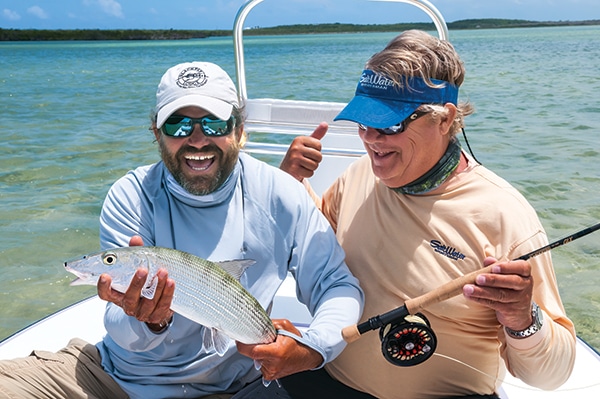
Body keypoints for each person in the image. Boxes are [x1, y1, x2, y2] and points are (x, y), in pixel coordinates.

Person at [0, 61, 363, 399]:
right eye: (178, 125)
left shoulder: (281, 194)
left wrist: (313, 348)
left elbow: (336, 284)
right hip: (117, 381)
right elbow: (121, 331)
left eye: (215, 124)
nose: (197, 138)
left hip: (239, 386)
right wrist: (150, 324)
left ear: (238, 130)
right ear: (156, 132)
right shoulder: (131, 195)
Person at [279, 30, 576, 399]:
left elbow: (552, 377)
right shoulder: (357, 175)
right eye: (362, 121)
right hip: (330, 381)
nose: (371, 139)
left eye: (390, 124)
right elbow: (314, 252)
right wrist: (290, 185)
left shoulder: (505, 216)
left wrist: (522, 318)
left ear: (445, 118)